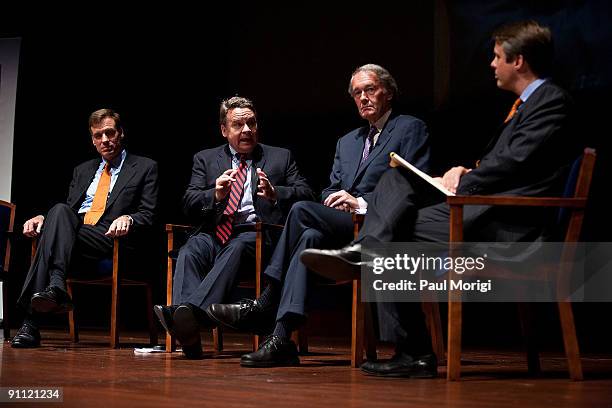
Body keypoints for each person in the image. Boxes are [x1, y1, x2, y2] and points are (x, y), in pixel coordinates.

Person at [300, 20, 578, 378]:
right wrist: (458, 176)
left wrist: (464, 178)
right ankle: (378, 274)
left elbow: (515, 162)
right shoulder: (527, 105)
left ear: (518, 60)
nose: (492, 65)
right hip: (486, 212)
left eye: (497, 57)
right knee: (395, 180)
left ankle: (411, 348)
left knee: (392, 229)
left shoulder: (551, 101)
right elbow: (510, 163)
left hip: (513, 227)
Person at [206, 64, 431, 367]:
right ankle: (282, 338)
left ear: (388, 92)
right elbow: (329, 189)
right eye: (357, 93)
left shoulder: (409, 127)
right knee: (308, 237)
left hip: (381, 223)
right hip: (343, 225)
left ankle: (267, 303)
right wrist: (334, 201)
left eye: (370, 89)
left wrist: (360, 202)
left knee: (300, 211)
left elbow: (415, 183)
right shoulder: (347, 142)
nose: (363, 97)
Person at [154, 96, 314, 359]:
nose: (247, 130)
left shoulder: (279, 157)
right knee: (190, 250)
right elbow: (188, 201)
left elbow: (307, 194)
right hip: (214, 233)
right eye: (239, 125)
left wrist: (276, 193)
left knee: (237, 246)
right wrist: (214, 195)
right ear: (224, 130)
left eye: (251, 123)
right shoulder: (205, 159)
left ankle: (190, 318)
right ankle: (190, 336)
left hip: (257, 236)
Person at [11, 108, 159, 348]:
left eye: (109, 133)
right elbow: (68, 211)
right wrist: (43, 218)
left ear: (120, 133)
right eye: (98, 135)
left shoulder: (144, 167)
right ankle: (54, 289)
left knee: (52, 228)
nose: (105, 140)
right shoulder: (83, 170)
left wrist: (129, 219)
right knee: (57, 211)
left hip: (111, 236)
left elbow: (148, 213)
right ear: (92, 139)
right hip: (79, 235)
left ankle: (30, 322)